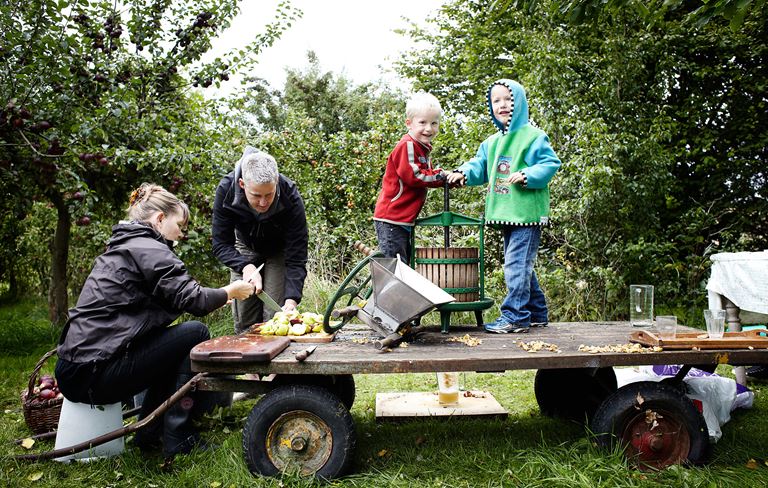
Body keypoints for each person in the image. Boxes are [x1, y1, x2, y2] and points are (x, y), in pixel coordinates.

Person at [55, 183, 255, 457]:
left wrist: (218, 295)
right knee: (195, 332)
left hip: (77, 369)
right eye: (179, 226)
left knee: (173, 343)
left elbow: (166, 299)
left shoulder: (126, 245)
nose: (181, 234)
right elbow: (193, 300)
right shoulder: (148, 247)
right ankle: (177, 436)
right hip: (94, 374)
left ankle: (150, 433)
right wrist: (229, 291)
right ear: (160, 219)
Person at [447, 79, 561, 333]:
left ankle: (515, 317)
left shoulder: (533, 136)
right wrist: (462, 173)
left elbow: (550, 163)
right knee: (521, 265)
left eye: (508, 99)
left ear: (519, 103)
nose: (502, 105)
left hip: (527, 214)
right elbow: (479, 165)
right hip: (506, 214)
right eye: (496, 101)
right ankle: (536, 313)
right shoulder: (492, 142)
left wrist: (528, 175)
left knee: (516, 265)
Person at [212, 147, 308, 334]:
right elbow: (220, 243)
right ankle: (248, 360)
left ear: (277, 182)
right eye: (256, 196)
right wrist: (245, 266)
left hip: (279, 250)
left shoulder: (290, 196)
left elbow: (297, 255)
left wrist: (292, 299)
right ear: (242, 184)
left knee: (276, 315)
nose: (263, 203)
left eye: (269, 195)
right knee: (245, 318)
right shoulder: (226, 189)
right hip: (244, 247)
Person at [373, 92, 447, 263]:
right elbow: (416, 176)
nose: (428, 128)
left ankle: (396, 290)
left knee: (403, 267)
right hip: (392, 218)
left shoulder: (421, 147)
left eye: (434, 123)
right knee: (396, 270)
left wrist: (445, 178)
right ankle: (389, 291)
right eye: (422, 122)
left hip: (402, 219)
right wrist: (442, 176)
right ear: (409, 123)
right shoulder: (408, 145)